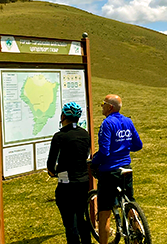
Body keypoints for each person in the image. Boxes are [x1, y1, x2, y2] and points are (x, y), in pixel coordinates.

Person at [90, 95, 143, 244]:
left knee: (104, 212)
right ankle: (138, 231)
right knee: (129, 201)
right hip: (126, 167)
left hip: (109, 171)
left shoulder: (107, 123)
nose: (101, 106)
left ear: (110, 107)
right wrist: (124, 148)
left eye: (103, 104)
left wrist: (94, 162)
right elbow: (138, 145)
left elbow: (105, 151)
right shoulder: (128, 121)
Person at [47, 102, 92, 244]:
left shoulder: (59, 136)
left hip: (66, 184)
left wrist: (53, 173)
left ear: (63, 116)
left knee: (70, 223)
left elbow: (51, 165)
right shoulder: (85, 134)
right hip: (83, 182)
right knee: (80, 217)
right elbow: (86, 155)